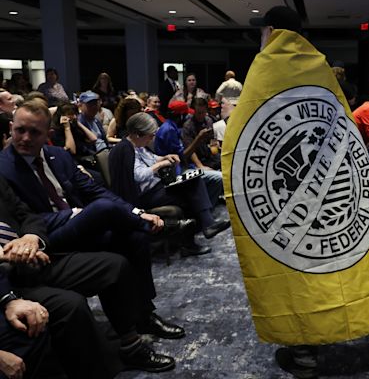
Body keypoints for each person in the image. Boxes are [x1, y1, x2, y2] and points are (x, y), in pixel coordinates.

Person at [0, 100, 187, 344]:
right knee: (101, 209)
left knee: (133, 237)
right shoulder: (3, 168)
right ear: (11, 127)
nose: (25, 137)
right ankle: (162, 230)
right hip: (45, 241)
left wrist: (137, 212)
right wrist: (75, 213)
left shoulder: (58, 156)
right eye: (20, 130)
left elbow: (95, 190)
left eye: (34, 132)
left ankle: (144, 314)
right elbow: (23, 220)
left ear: (49, 134)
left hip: (84, 226)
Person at [0, 175, 176, 376]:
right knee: (71, 304)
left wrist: (32, 238)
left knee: (114, 265)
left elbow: (27, 216)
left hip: (35, 257)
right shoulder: (8, 165)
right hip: (8, 276)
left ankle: (131, 346)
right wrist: (7, 289)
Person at [109, 112, 230, 241]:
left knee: (194, 180)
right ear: (138, 134)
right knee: (190, 195)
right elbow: (139, 176)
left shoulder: (137, 146)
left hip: (157, 187)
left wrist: (165, 157)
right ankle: (196, 235)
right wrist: (160, 165)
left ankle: (207, 225)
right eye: (150, 136)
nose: (151, 139)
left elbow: (151, 159)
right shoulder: (126, 150)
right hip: (146, 195)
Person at [154, 100, 224, 207]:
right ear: (181, 116)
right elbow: (183, 156)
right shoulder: (169, 130)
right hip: (175, 172)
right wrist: (199, 139)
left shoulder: (173, 127)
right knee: (218, 177)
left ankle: (209, 206)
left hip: (186, 165)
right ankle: (206, 210)